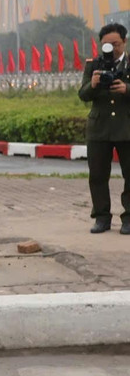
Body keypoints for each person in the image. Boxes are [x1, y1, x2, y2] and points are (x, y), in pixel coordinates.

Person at [78, 23, 130, 235]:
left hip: (126, 127)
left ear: (124, 42)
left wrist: (127, 89)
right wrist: (93, 84)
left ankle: (128, 219)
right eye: (105, 45)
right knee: (98, 175)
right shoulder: (94, 65)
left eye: (115, 44)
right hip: (99, 129)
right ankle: (101, 217)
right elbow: (82, 94)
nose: (110, 48)